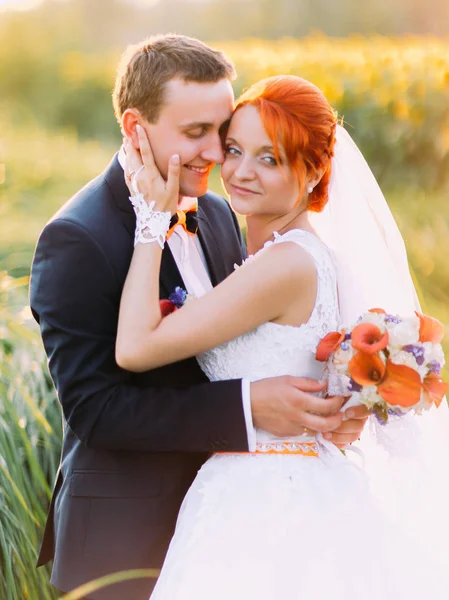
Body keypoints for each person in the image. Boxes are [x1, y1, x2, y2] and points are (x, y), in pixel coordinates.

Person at [29, 36, 367, 600]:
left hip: (243, 520)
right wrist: (248, 406)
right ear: (136, 128)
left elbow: (263, 337)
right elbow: (95, 409)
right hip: (126, 538)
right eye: (196, 135)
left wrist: (333, 405)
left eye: (223, 132)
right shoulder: (77, 238)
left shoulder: (216, 210)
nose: (218, 154)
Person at [117, 74, 449, 599]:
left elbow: (135, 348)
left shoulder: (285, 265)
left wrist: (151, 222)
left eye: (269, 159)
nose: (241, 172)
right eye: (233, 150)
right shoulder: (291, 253)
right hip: (268, 488)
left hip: (270, 506)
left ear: (314, 170)